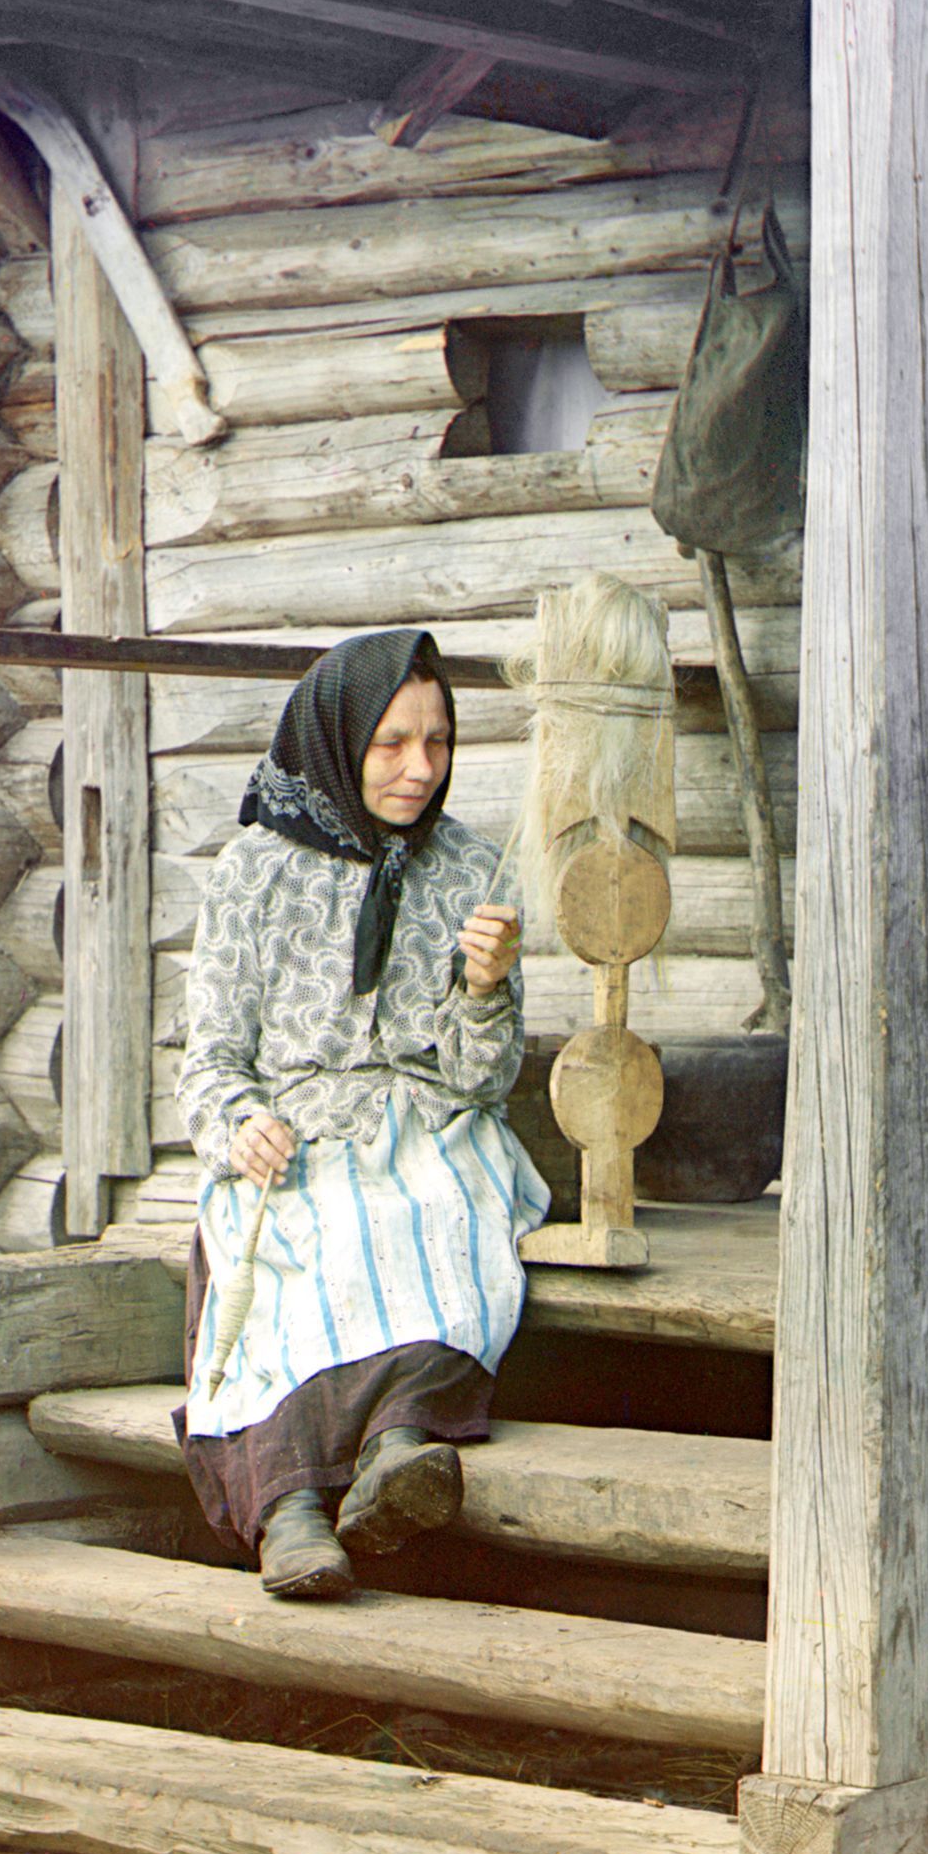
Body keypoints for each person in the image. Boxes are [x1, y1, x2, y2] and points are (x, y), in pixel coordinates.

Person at [171, 627, 550, 1600]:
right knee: (306, 1235)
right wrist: (239, 1120)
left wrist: (484, 991)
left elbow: (479, 1080)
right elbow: (209, 1059)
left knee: (433, 1206)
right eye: (391, 742)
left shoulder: (468, 870)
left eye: (437, 742)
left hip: (426, 1123)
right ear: (340, 736)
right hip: (291, 1134)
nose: (419, 768)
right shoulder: (253, 871)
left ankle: (397, 1451)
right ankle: (290, 1513)